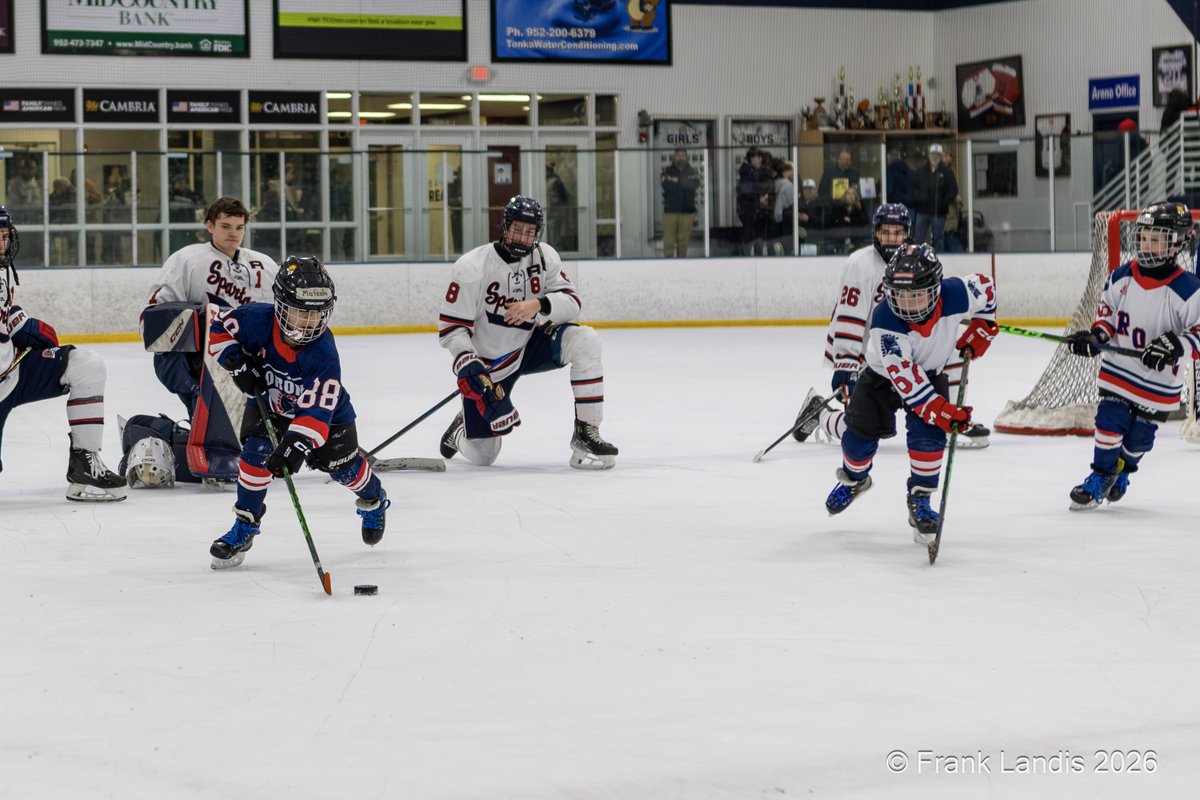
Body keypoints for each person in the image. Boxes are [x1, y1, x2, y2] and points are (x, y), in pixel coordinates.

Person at [206, 256, 390, 568]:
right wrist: (237, 363)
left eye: (316, 314)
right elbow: (219, 330)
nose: (307, 323)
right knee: (254, 457)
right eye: (298, 312)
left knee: (343, 470)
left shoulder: (323, 354)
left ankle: (374, 500)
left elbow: (318, 409)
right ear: (279, 305)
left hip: (328, 419)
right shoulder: (255, 319)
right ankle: (245, 525)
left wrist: (295, 445)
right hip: (273, 405)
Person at [823, 243, 998, 543]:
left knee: (929, 441)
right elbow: (912, 386)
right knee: (858, 440)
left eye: (916, 294)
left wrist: (984, 326)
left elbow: (987, 288)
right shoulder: (885, 322)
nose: (907, 304)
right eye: (900, 294)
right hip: (882, 377)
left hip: (930, 373)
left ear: (935, 288)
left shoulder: (955, 293)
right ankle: (855, 479)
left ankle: (920, 500)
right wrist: (943, 412)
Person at [437, 195, 617, 470]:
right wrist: (467, 361)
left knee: (586, 341)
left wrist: (538, 305)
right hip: (490, 366)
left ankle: (586, 432)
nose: (522, 237)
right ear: (505, 227)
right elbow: (452, 328)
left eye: (530, 231)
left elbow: (572, 303)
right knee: (485, 456)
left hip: (529, 346)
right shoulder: (472, 266)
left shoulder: (544, 257)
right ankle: (460, 430)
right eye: (517, 229)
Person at [793, 204, 991, 449]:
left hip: (908, 346)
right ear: (875, 233)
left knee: (951, 349)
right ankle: (820, 415)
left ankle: (952, 417)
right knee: (861, 429)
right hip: (870, 357)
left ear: (907, 233)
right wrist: (846, 367)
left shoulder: (915, 261)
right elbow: (848, 318)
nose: (891, 239)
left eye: (897, 233)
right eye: (885, 232)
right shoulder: (860, 264)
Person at [1063, 202, 1200, 509]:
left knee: (1140, 439)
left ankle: (1123, 469)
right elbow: (1107, 316)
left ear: (1177, 243)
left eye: (1157, 238)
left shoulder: (1190, 290)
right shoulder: (1121, 275)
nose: (1146, 244)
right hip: (1119, 370)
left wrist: (1176, 345)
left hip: (1159, 383)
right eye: (1144, 236)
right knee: (1109, 421)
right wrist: (1096, 336)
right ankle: (1100, 476)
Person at [0, 206, 126, 502]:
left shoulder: (1, 271)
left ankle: (85, 464)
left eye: (4, 236)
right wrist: (21, 326)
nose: (3, 244)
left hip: (11, 375)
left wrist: (20, 320)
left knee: (86, 366)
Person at [143, 196, 279, 418]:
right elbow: (156, 319)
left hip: (248, 358)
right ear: (210, 226)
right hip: (196, 359)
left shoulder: (264, 263)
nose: (233, 233)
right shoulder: (187, 260)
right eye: (225, 227)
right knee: (213, 417)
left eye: (239, 227)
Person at [911, 144, 958, 250]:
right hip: (922, 211)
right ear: (928, 155)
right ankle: (919, 259)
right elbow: (913, 188)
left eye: (937, 155)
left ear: (941, 156)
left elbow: (953, 190)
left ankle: (939, 259)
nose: (934, 157)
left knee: (938, 238)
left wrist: (943, 202)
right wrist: (919, 199)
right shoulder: (921, 172)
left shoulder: (947, 172)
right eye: (933, 154)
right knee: (919, 238)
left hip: (939, 212)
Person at [660, 147, 700, 257]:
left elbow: (695, 184)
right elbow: (666, 185)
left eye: (683, 155)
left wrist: (676, 182)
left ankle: (681, 266)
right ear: (674, 157)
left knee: (683, 242)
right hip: (670, 211)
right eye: (678, 155)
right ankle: (668, 266)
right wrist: (685, 182)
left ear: (686, 157)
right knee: (668, 241)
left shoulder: (693, 171)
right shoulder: (667, 170)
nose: (681, 157)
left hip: (687, 211)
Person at [736, 147, 773, 256]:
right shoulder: (747, 172)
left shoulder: (753, 171)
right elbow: (747, 190)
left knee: (756, 235)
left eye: (760, 157)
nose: (760, 160)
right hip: (749, 210)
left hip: (753, 209)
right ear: (751, 158)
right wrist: (759, 194)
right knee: (750, 236)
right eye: (757, 157)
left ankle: (756, 255)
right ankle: (748, 257)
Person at [770, 161, 795, 255]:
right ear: (785, 172)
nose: (792, 173)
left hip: (774, 217)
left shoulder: (774, 184)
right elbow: (792, 202)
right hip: (785, 216)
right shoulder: (788, 185)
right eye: (791, 171)